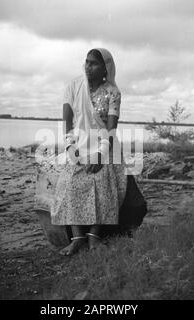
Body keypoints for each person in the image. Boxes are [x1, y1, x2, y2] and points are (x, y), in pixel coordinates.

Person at [50, 48, 146, 256]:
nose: (87, 66)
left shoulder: (113, 92)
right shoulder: (73, 87)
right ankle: (77, 239)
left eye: (93, 63)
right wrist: (70, 148)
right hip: (77, 143)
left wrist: (101, 155)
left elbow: (111, 128)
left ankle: (94, 237)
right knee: (70, 183)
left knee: (104, 183)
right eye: (86, 62)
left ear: (105, 68)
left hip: (105, 145)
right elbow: (67, 123)